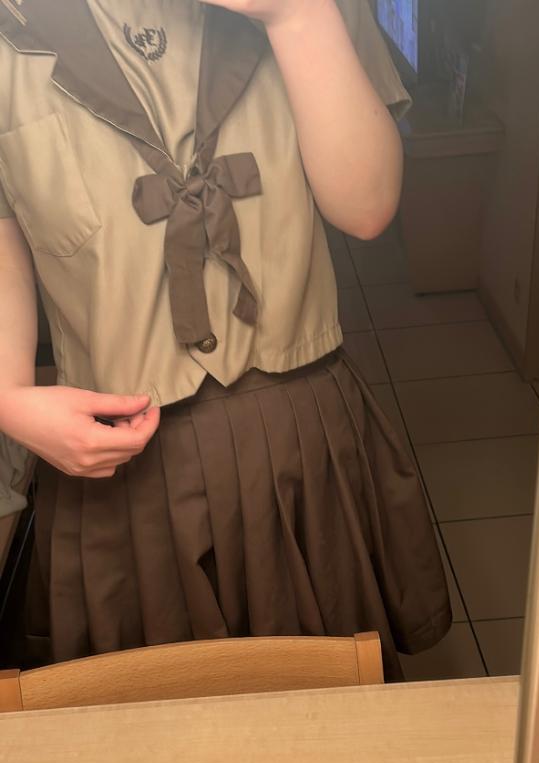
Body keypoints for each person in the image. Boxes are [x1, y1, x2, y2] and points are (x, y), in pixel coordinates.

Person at [0, 0, 451, 680]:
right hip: (117, 464)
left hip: (299, 445)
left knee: (328, 719)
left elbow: (367, 208)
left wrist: (298, 17)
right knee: (148, 727)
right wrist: (7, 397)